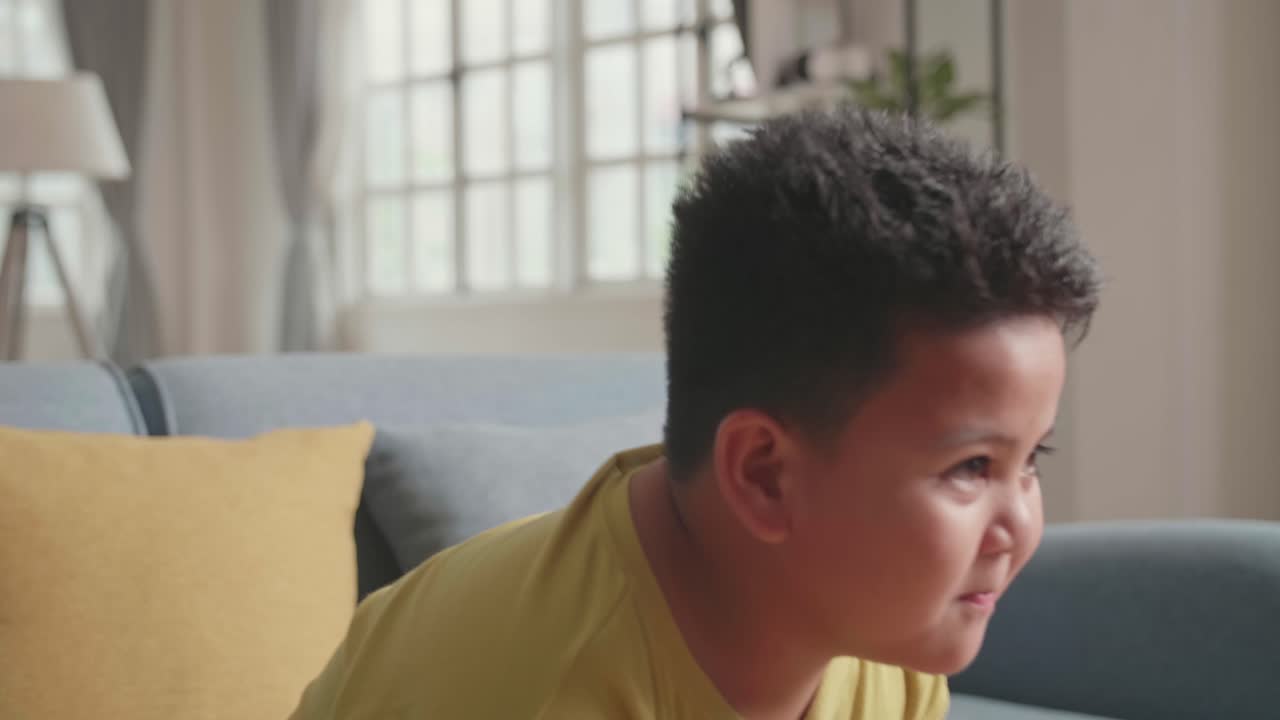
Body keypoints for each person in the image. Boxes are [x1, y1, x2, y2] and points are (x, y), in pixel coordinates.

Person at [291, 107, 1102, 720]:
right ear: (763, 474)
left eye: (1031, 460)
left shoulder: (890, 651)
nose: (1019, 527)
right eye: (972, 468)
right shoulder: (552, 686)